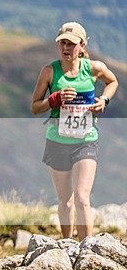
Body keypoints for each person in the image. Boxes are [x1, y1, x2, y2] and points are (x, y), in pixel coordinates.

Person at [30, 21, 118, 239]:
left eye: (71, 44)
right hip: (57, 141)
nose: (66, 48)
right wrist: (54, 99)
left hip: (86, 140)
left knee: (81, 198)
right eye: (62, 44)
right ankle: (67, 244)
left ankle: (87, 251)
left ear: (82, 45)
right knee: (65, 202)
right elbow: (34, 107)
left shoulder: (93, 68)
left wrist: (104, 100)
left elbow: (113, 81)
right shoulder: (50, 71)